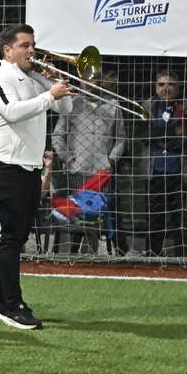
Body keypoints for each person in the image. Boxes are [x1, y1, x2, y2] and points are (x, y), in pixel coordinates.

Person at [0, 23, 73, 330]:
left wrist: (54, 82)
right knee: (12, 237)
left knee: (16, 236)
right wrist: (49, 96)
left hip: (29, 169)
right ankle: (12, 305)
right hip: (5, 167)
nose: (32, 50)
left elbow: (66, 107)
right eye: (25, 45)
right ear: (7, 51)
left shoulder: (35, 80)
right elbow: (12, 112)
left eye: (33, 45)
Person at [50, 64, 126, 254]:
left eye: (92, 78)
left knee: (107, 215)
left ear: (100, 81)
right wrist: (69, 160)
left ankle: (118, 253)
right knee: (74, 214)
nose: (87, 83)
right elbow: (57, 136)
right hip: (76, 173)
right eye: (84, 79)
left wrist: (110, 161)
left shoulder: (113, 105)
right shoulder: (71, 104)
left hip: (102, 174)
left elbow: (121, 138)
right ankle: (70, 253)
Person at [141, 69, 187, 256]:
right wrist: (175, 132)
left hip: (180, 173)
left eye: (170, 84)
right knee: (154, 218)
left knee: (180, 219)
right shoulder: (146, 106)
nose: (165, 88)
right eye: (161, 84)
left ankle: (181, 258)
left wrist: (160, 138)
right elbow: (144, 135)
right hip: (154, 172)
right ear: (155, 87)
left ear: (178, 88)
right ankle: (153, 255)